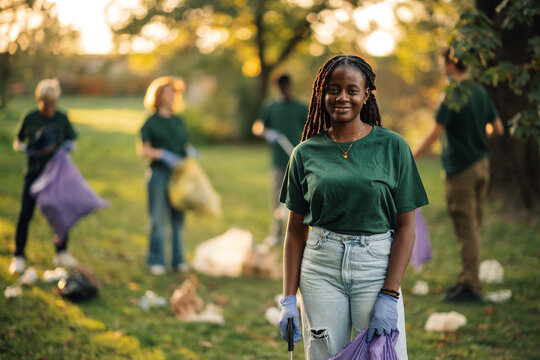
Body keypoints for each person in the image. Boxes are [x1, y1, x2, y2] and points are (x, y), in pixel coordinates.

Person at [277, 55, 428, 360]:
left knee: (381, 354)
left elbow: (406, 227)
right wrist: (288, 299)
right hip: (320, 268)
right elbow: (294, 233)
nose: (342, 97)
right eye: (333, 89)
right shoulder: (304, 153)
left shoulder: (393, 147)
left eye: (351, 89)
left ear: (366, 94)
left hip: (375, 267)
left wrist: (389, 294)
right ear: (322, 93)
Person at [414, 47, 504, 302]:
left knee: (466, 229)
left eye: (442, 64)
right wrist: (476, 140)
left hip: (462, 171)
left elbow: (435, 133)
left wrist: (408, 157)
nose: (442, 69)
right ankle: (467, 278)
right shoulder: (480, 91)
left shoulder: (452, 94)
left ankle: (471, 286)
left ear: (452, 65)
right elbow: (498, 129)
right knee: (473, 225)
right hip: (482, 165)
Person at [9, 78, 79, 275]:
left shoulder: (62, 118)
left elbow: (73, 141)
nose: (50, 108)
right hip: (34, 173)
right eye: (47, 103)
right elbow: (18, 141)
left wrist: (67, 147)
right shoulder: (30, 117)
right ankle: (19, 255)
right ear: (40, 100)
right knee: (25, 213)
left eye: (54, 103)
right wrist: (27, 149)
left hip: (56, 175)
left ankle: (61, 252)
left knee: (60, 213)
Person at [138, 76, 197, 276]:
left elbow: (184, 144)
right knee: (157, 218)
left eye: (175, 93)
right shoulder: (150, 122)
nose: (173, 97)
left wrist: (190, 151)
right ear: (158, 96)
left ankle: (179, 259)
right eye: (169, 93)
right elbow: (144, 150)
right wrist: (162, 154)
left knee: (178, 219)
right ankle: (156, 259)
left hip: (178, 176)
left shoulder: (179, 122)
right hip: (158, 174)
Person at [252, 74, 308, 247]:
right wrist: (267, 132)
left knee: (302, 197)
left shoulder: (300, 107)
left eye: (286, 87)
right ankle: (276, 232)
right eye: (280, 88)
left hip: (299, 162)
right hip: (279, 161)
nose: (284, 91)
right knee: (277, 197)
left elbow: (313, 128)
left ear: (290, 86)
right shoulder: (271, 106)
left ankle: (302, 232)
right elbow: (257, 126)